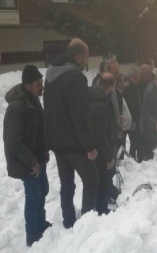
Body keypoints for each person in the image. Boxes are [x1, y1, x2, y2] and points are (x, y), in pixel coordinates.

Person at [44, 38, 99, 229]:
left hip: (58, 144)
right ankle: (86, 224)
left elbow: (49, 110)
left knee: (67, 184)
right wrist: (90, 146)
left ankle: (68, 221)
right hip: (75, 144)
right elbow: (81, 116)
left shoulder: (51, 75)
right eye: (86, 56)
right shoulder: (75, 78)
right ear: (77, 56)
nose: (86, 60)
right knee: (92, 180)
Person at [3, 65, 51, 246]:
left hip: (37, 157)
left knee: (43, 190)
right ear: (28, 85)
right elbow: (13, 141)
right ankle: (33, 234)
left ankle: (41, 223)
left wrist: (44, 150)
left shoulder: (33, 99)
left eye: (42, 82)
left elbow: (38, 129)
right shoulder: (17, 107)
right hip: (26, 161)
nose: (42, 86)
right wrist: (31, 161)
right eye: (39, 83)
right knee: (34, 196)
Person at [88, 72, 116, 215]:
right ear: (109, 87)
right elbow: (101, 135)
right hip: (100, 152)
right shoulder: (102, 105)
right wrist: (109, 157)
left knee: (96, 182)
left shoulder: (89, 97)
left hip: (91, 148)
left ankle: (97, 209)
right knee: (103, 181)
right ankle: (101, 210)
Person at [140, 69, 157, 160]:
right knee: (150, 154)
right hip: (150, 128)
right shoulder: (150, 90)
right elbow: (144, 111)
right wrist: (154, 123)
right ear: (156, 78)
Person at [124, 68, 144, 162]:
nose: (139, 79)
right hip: (133, 120)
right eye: (137, 77)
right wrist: (134, 121)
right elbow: (131, 107)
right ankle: (134, 159)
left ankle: (135, 159)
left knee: (136, 141)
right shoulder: (128, 89)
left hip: (136, 119)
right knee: (135, 141)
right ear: (132, 78)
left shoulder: (134, 87)